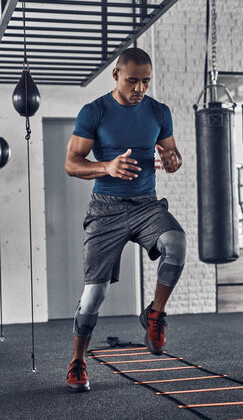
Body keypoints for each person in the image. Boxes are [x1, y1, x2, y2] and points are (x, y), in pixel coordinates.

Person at [64, 47, 186, 392]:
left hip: (146, 204)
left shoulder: (159, 112)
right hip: (106, 208)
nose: (140, 88)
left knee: (176, 243)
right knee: (94, 296)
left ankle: (155, 314)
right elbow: (72, 163)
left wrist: (174, 160)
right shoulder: (95, 112)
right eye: (133, 80)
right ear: (116, 75)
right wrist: (107, 166)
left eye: (146, 81)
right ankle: (78, 361)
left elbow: (170, 152)